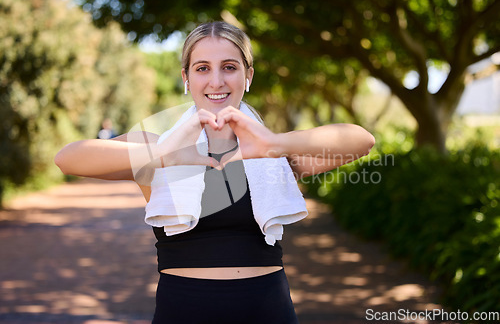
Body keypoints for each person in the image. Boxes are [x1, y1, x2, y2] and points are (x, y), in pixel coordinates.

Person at [54, 21, 375, 324]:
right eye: (203, 68)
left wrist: (274, 143)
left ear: (248, 76)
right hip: (182, 309)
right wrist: (165, 154)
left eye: (230, 67)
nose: (217, 81)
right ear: (186, 77)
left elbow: (361, 140)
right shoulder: (157, 147)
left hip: (267, 309)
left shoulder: (273, 154)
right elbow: (68, 158)